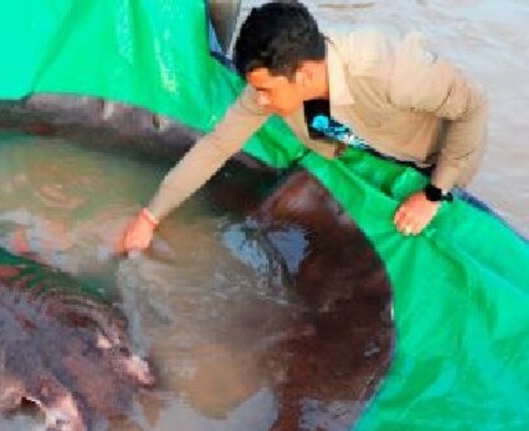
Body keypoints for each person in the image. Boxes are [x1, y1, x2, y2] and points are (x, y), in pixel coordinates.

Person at [121, 0, 488, 252]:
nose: (259, 101)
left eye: (265, 90)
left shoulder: (387, 69)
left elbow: (472, 108)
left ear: (306, 73)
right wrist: (149, 216)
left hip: (433, 160)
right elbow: (216, 146)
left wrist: (433, 195)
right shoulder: (272, 83)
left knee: (432, 240)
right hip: (362, 152)